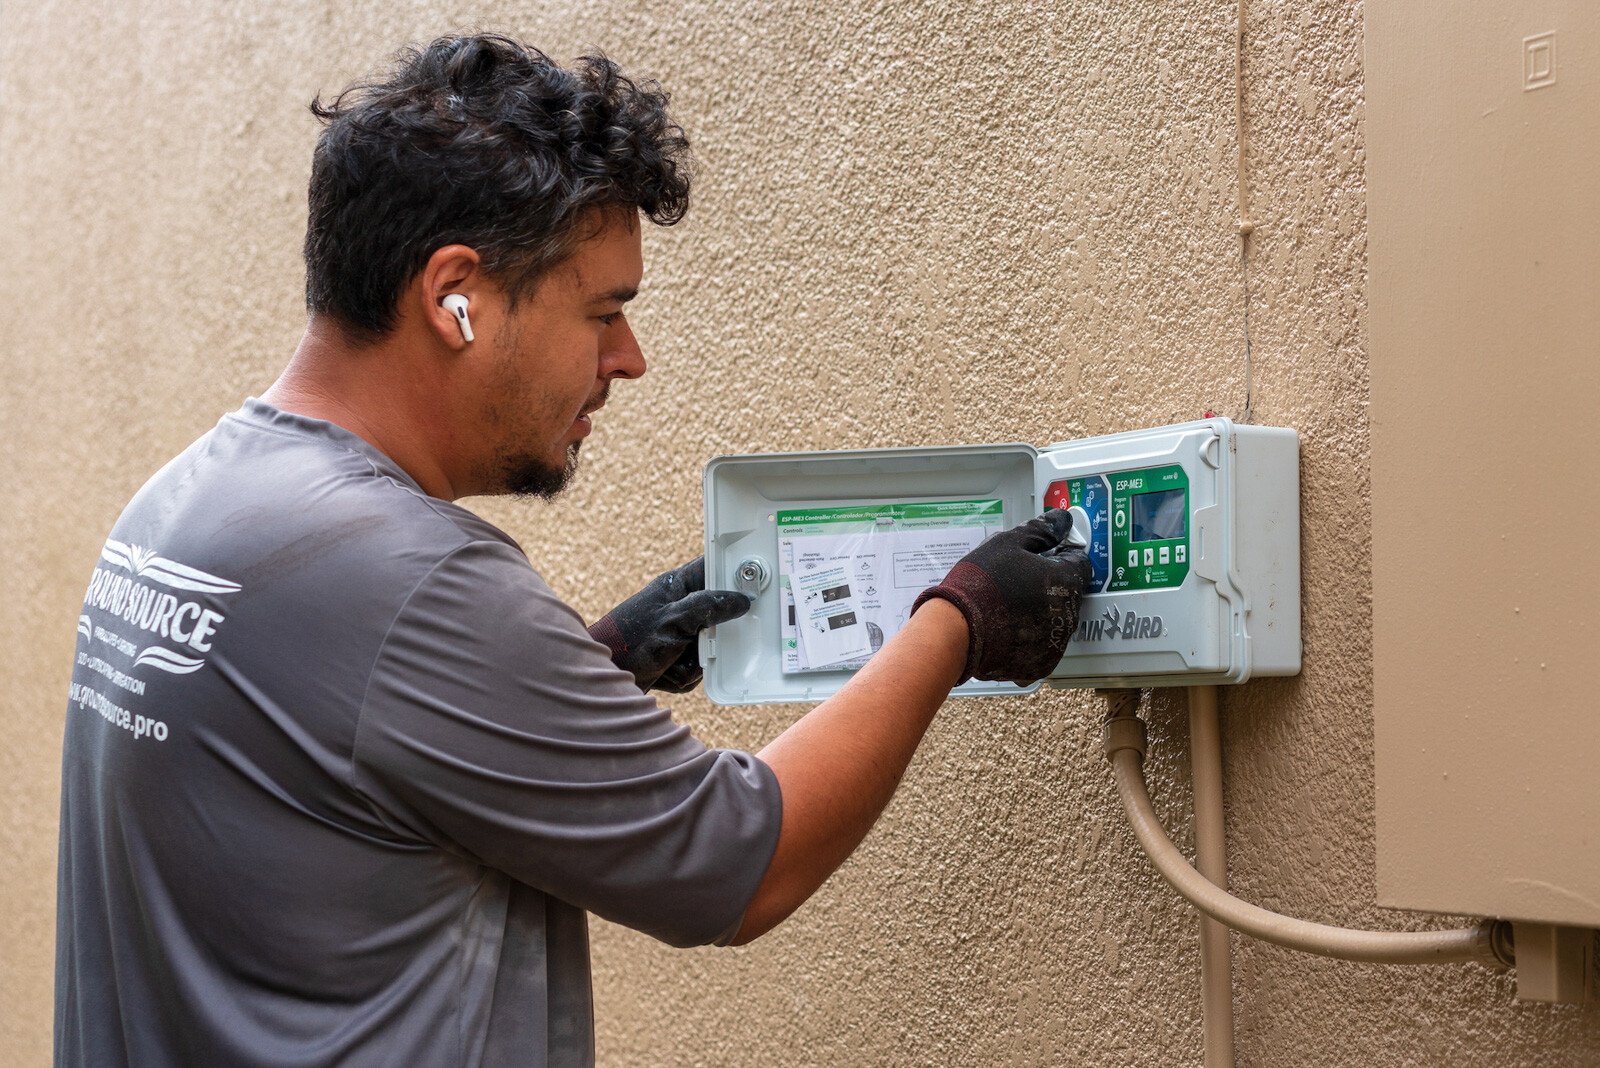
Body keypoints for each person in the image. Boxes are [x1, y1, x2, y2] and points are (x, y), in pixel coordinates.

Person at [54, 33, 1092, 1067]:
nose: (627, 362)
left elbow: (318, 780)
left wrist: (582, 666)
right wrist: (956, 622)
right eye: (603, 312)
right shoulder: (415, 580)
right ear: (452, 295)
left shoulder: (190, 502)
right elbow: (744, 861)